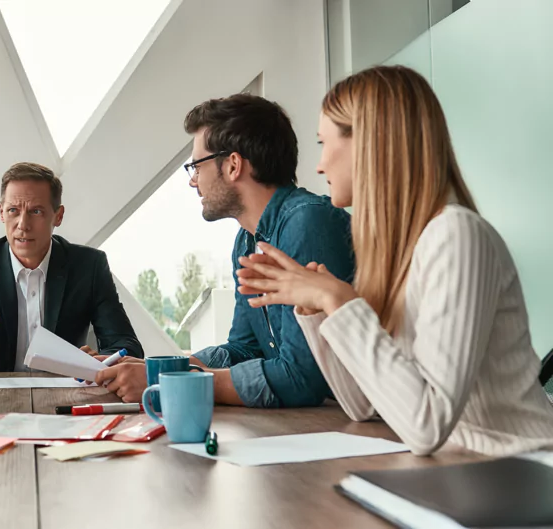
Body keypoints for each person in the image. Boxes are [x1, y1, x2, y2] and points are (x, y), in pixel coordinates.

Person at [236, 65, 553, 456]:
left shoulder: (456, 235)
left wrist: (341, 302)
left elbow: (425, 426)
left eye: (323, 143)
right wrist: (316, 310)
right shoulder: (401, 251)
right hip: (463, 471)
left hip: (526, 471)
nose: (319, 166)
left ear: (370, 143)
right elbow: (364, 406)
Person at [96, 94, 355, 406]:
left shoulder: (306, 223)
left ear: (233, 165)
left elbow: (302, 378)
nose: (193, 181)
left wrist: (167, 383)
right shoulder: (247, 241)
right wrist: (160, 369)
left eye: (196, 166)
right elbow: (245, 349)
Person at [0, 162, 142, 373]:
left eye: (36, 211)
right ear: (1, 213)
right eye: (13, 210)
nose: (23, 225)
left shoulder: (89, 266)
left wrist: (104, 363)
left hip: (66, 398)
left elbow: (126, 345)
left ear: (59, 215)